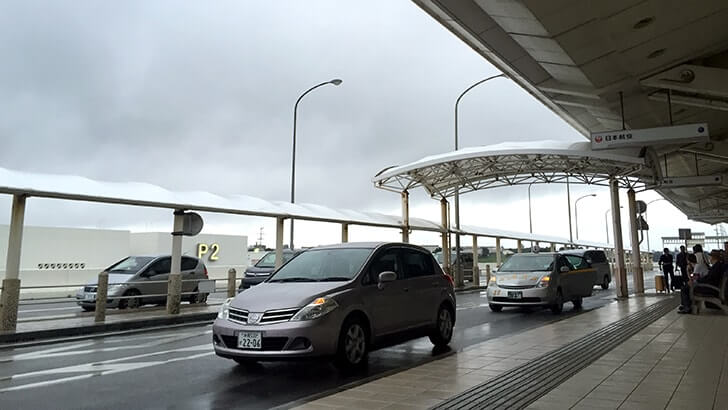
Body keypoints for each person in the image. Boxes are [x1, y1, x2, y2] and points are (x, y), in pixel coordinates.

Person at [678, 249, 725, 314]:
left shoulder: (716, 267)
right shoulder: (717, 266)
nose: (709, 258)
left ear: (714, 257)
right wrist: (697, 281)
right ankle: (686, 306)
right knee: (687, 286)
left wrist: (697, 281)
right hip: (711, 287)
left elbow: (709, 279)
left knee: (685, 288)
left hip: (710, 289)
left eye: (710, 257)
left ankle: (687, 307)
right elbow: (708, 278)